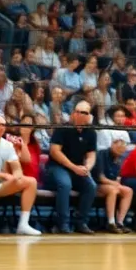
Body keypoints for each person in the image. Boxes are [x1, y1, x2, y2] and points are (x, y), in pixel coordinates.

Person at [47, 99, 98, 234]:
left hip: (77, 169)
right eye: (79, 112)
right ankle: (62, 223)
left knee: (91, 186)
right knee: (65, 184)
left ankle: (81, 222)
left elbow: (91, 154)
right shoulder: (63, 128)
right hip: (57, 167)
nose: (83, 115)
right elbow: (55, 151)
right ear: (74, 114)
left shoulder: (91, 132)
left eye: (86, 113)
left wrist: (87, 167)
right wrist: (74, 167)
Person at [94, 135, 135, 234]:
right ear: (112, 144)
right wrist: (115, 184)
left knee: (128, 191)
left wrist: (117, 184)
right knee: (113, 190)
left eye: (122, 150)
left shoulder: (120, 158)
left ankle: (120, 222)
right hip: (96, 185)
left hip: (111, 185)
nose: (120, 152)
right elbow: (101, 178)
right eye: (118, 148)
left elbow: (118, 178)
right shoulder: (101, 154)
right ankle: (111, 223)